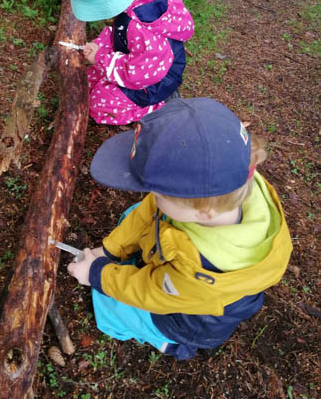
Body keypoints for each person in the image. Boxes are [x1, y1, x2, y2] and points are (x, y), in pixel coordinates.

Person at [67, 98, 293, 359]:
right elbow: (149, 210)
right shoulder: (226, 181)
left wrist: (96, 273)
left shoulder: (204, 272)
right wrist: (110, 250)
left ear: (202, 212)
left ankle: (170, 344)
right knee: (134, 216)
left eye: (158, 194)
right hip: (177, 267)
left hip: (185, 318)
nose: (151, 197)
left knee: (109, 306)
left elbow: (151, 291)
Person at [69, 0, 194, 125]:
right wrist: (100, 46)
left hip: (154, 80)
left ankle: (159, 107)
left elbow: (137, 74)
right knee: (89, 81)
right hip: (142, 61)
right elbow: (120, 32)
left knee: (98, 105)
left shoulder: (141, 30)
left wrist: (101, 58)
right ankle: (111, 74)